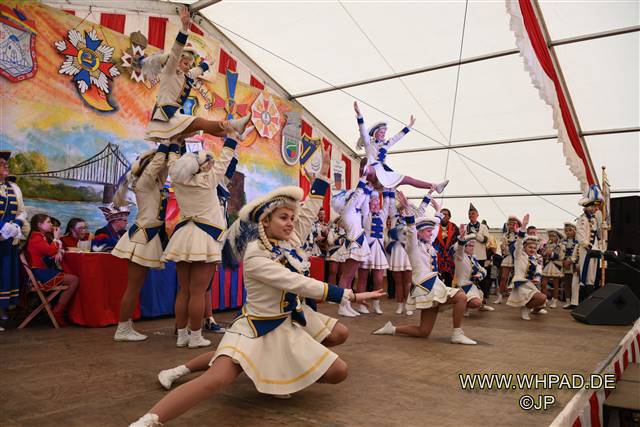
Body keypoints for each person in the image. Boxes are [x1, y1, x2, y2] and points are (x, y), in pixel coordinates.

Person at [129, 185, 384, 427]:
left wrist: (320, 177)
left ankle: (276, 374)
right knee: (219, 377)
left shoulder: (288, 242)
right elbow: (297, 282)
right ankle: (151, 416)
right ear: (265, 221)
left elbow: (306, 215)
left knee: (338, 368)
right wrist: (348, 295)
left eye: (292, 218)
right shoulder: (256, 256)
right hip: (256, 327)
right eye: (283, 218)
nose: (291, 223)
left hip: (288, 323)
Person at [161, 133, 240, 349]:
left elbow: (172, 163)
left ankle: (182, 335)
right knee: (198, 292)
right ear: (203, 166)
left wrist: (174, 144)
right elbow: (225, 158)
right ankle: (195, 337)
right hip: (204, 238)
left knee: (184, 290)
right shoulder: (208, 180)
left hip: (183, 235)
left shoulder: (178, 179)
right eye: (209, 161)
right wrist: (233, 137)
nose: (213, 164)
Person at [372, 191, 476, 345]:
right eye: (428, 231)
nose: (431, 233)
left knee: (423, 332)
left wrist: (438, 211)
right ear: (419, 233)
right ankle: (457, 334)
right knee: (461, 297)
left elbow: (435, 226)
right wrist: (408, 210)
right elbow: (411, 230)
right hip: (426, 286)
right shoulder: (413, 246)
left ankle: (392, 329)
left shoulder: (428, 244)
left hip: (432, 286)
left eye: (431, 231)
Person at [142, 6, 250, 144]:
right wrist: (184, 27)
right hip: (165, 117)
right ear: (178, 61)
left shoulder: (187, 76)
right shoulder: (170, 71)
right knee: (199, 122)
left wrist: (207, 63)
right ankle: (232, 125)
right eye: (186, 63)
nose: (189, 67)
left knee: (202, 127)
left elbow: (198, 70)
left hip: (173, 117)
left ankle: (235, 134)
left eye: (190, 65)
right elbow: (176, 51)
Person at [111, 141, 177, 341]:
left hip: (147, 236)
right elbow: (157, 165)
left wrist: (176, 145)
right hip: (143, 237)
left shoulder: (155, 183)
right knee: (133, 288)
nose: (162, 168)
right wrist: (165, 144)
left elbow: (165, 168)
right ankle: (122, 329)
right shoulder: (145, 182)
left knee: (135, 287)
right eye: (159, 165)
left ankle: (126, 325)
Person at [353, 101, 448, 192]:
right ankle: (363, 175)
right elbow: (363, 131)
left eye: (384, 133)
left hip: (384, 173)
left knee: (409, 179)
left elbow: (397, 137)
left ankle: (436, 187)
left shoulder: (386, 144)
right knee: (367, 164)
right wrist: (359, 115)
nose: (383, 134)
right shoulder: (368, 142)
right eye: (381, 132)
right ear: (375, 132)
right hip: (372, 169)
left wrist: (409, 127)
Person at [25, 214, 79, 326]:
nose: (51, 225)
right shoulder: (36, 238)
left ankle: (58, 309)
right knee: (74, 279)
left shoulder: (40, 237)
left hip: (41, 271)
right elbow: (51, 251)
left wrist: (57, 251)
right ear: (39, 225)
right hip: (39, 274)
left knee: (71, 276)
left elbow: (47, 254)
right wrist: (56, 238)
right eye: (48, 222)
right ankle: (58, 311)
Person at [331, 176, 372, 317]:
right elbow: (356, 196)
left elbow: (362, 202)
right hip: (354, 243)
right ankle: (342, 306)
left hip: (358, 242)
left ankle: (347, 305)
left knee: (350, 277)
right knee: (346, 277)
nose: (356, 198)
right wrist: (363, 179)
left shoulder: (354, 211)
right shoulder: (346, 210)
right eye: (352, 197)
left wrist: (368, 188)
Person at [0, 151, 28, 318]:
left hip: (9, 239)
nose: (6, 166)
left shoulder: (15, 188)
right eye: (2, 164)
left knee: (5, 275)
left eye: (6, 164)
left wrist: (16, 225)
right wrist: (2, 227)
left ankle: (2, 308)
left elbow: (22, 211)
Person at [355, 190, 392, 314]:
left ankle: (376, 304)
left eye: (377, 204)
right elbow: (365, 203)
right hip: (366, 249)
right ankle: (361, 305)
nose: (375, 206)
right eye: (373, 204)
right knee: (362, 279)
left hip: (379, 251)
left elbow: (387, 204)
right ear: (369, 205)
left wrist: (387, 190)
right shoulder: (366, 215)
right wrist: (368, 189)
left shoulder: (382, 215)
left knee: (379, 280)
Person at [505, 214, 547, 320]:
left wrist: (537, 278)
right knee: (541, 298)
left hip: (531, 285)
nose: (532, 249)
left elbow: (539, 269)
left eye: (534, 248)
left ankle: (530, 308)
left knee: (542, 301)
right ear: (525, 247)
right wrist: (523, 226)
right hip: (521, 285)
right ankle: (525, 308)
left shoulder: (537, 258)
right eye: (530, 247)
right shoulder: (519, 255)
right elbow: (519, 242)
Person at [452, 227, 494, 316]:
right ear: (464, 246)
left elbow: (483, 270)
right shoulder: (460, 256)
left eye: (473, 246)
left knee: (480, 297)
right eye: (470, 246)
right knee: (476, 303)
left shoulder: (473, 258)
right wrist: (462, 239)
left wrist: (480, 274)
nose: (472, 248)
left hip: (471, 286)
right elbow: (459, 248)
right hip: (461, 286)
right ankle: (462, 306)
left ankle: (477, 305)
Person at [385, 189, 413, 315]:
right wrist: (390, 190)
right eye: (401, 208)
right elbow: (391, 206)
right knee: (398, 282)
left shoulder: (411, 219)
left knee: (408, 283)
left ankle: (408, 306)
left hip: (407, 252)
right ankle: (400, 305)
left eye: (404, 208)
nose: (402, 210)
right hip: (397, 251)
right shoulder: (394, 218)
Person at [574, 185, 604, 299]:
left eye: (597, 206)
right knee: (586, 276)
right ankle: (584, 298)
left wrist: (603, 228)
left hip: (595, 250)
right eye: (594, 206)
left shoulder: (594, 219)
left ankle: (591, 295)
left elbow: (598, 235)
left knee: (593, 275)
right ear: (588, 206)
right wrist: (588, 246)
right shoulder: (582, 219)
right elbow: (580, 236)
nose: (596, 208)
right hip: (587, 250)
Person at [465, 204, 491, 305]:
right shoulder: (466, 227)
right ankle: (470, 298)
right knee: (469, 277)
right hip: (468, 256)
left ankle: (483, 299)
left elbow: (485, 240)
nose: (471, 215)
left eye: (473, 213)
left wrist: (475, 234)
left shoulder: (483, 227)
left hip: (480, 256)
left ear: (477, 215)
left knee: (481, 278)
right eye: (469, 214)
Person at [496, 215, 520, 304]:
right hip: (507, 257)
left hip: (517, 258)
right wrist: (504, 247)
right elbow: (502, 247)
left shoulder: (520, 235)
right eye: (510, 224)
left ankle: (517, 297)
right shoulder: (505, 235)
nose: (511, 226)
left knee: (518, 278)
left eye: (513, 224)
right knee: (503, 277)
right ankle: (500, 296)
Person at [433, 207, 459, 288]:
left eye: (445, 214)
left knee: (448, 280)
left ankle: (448, 294)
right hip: (438, 258)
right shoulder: (435, 226)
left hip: (449, 259)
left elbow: (458, 242)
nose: (443, 216)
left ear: (449, 216)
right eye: (442, 214)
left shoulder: (454, 227)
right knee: (438, 280)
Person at [541, 229, 565, 308]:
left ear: (557, 237)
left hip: (556, 265)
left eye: (553, 236)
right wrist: (544, 253)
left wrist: (551, 254)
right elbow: (544, 255)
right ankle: (544, 300)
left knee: (556, 284)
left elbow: (561, 256)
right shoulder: (547, 245)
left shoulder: (561, 245)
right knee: (543, 284)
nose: (551, 238)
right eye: (550, 236)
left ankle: (554, 300)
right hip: (548, 265)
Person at [561, 222, 580, 309]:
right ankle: (568, 301)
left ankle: (574, 301)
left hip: (574, 264)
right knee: (567, 283)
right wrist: (564, 261)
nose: (568, 232)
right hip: (565, 264)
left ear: (574, 231)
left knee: (574, 283)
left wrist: (571, 261)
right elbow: (561, 253)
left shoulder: (578, 242)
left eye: (570, 230)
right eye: (566, 231)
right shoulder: (563, 242)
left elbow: (578, 254)